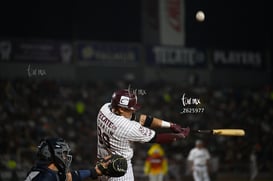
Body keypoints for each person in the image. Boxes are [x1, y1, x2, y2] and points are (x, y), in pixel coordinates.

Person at [96, 89, 190, 181]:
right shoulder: (128, 127)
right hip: (119, 169)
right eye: (131, 109)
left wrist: (170, 125)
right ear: (121, 109)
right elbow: (156, 138)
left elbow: (141, 119)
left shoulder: (105, 108)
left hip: (102, 165)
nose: (133, 111)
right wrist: (180, 136)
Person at [24, 137, 111, 181]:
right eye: (64, 153)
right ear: (56, 154)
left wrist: (94, 172)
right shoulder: (46, 178)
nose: (66, 157)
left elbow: (70, 177)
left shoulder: (46, 172)